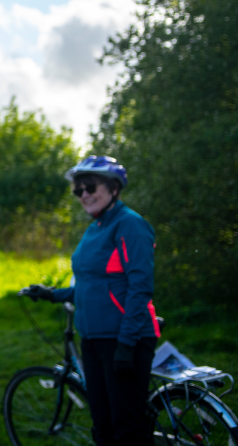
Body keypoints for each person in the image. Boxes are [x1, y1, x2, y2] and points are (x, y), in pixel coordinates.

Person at [21, 155, 159, 446]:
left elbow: (140, 287)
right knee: (103, 427)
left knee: (127, 430)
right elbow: (91, 285)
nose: (84, 194)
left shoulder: (130, 225)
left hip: (124, 340)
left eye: (90, 187)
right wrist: (51, 294)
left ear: (113, 188)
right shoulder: (95, 228)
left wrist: (126, 343)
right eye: (78, 190)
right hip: (93, 340)